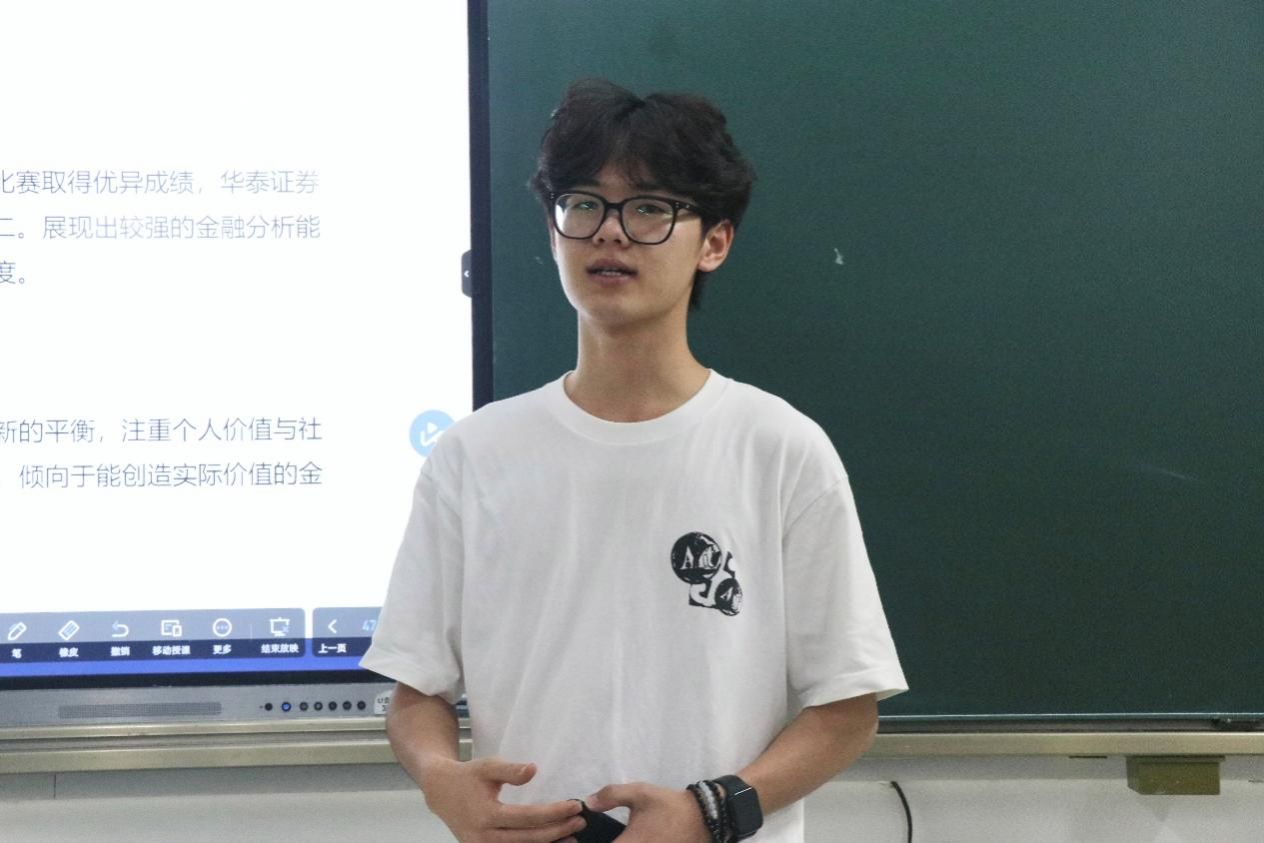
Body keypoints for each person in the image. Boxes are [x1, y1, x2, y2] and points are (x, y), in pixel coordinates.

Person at [362, 78, 907, 843]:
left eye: (649, 208)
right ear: (554, 230)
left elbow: (847, 708)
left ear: (714, 241)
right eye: (584, 203)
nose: (610, 233)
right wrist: (439, 777)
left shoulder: (780, 448)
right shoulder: (472, 455)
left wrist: (711, 810)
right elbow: (416, 690)